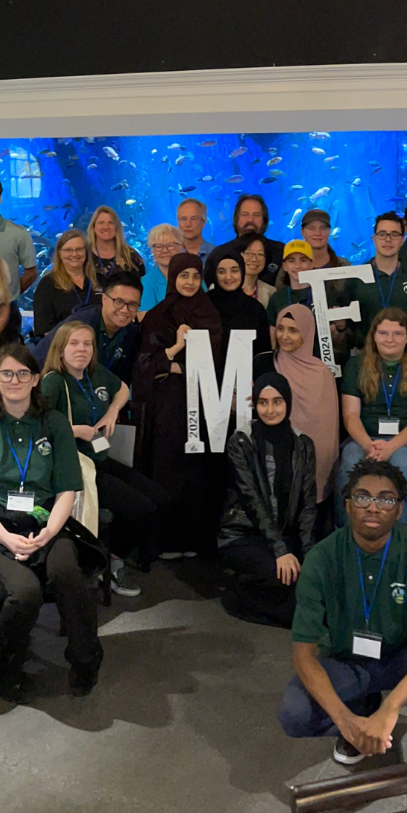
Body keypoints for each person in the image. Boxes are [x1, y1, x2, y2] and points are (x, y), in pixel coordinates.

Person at [279, 459, 407, 767]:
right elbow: (303, 653)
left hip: (402, 656)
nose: (373, 506)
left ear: (399, 508)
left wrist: (391, 708)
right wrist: (346, 722)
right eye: (363, 496)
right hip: (346, 659)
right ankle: (360, 721)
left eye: (386, 498)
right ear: (347, 505)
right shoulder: (321, 559)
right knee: (294, 715)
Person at [0, 342, 101, 699]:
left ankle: (85, 660)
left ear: (36, 379)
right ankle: (8, 662)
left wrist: (49, 531)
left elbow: (68, 488)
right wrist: (7, 539)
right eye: (7, 373)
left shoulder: (54, 424)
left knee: (68, 573)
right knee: (24, 593)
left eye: (23, 373)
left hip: (48, 522)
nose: (15, 380)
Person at [44, 317, 163, 581]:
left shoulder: (95, 374)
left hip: (99, 455)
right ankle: (109, 557)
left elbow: (121, 388)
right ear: (61, 348)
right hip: (76, 465)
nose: (82, 349)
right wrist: (77, 430)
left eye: (87, 344)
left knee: (158, 496)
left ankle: (118, 552)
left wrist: (112, 411)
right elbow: (39, 427)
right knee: (141, 508)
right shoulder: (54, 381)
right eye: (74, 344)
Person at [131, 253, 227, 560]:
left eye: (195, 276)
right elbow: (145, 362)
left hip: (202, 398)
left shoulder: (209, 312)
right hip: (169, 404)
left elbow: (217, 359)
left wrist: (179, 366)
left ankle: (195, 538)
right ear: (173, 277)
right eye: (183, 275)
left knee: (198, 468)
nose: (189, 282)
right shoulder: (159, 314)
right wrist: (175, 349)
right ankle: (166, 540)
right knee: (168, 463)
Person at [220, 371, 324, 628]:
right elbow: (252, 501)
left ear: (287, 403)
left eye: (277, 401)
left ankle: (303, 611)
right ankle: (239, 597)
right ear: (255, 404)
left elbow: (308, 506)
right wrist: (280, 551)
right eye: (263, 402)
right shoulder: (240, 442)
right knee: (282, 578)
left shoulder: (303, 445)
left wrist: (309, 555)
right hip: (243, 535)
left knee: (318, 577)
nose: (270, 410)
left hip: (285, 535)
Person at [339, 307, 407, 522]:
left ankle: (404, 537)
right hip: (364, 438)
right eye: (383, 333)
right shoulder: (355, 366)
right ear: (374, 336)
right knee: (350, 461)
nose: (390, 339)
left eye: (397, 334)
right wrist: (368, 445)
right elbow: (350, 416)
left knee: (402, 463)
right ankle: (346, 533)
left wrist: (391, 446)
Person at [272, 302, 344, 502]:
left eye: (293, 330)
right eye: (280, 329)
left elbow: (325, 430)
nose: (285, 336)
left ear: (306, 332)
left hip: (312, 459)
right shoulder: (266, 363)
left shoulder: (321, 373)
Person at [349, 211, 407, 344]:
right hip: (366, 354)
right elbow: (349, 324)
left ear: (402, 240)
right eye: (382, 234)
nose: (388, 239)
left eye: (394, 234)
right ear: (374, 238)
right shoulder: (356, 277)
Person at [207, 247, 273, 373]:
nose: (228, 277)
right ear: (214, 274)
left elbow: (263, 353)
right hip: (206, 382)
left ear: (242, 272)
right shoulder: (202, 306)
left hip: (246, 382)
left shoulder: (255, 308)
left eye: (234, 270)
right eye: (221, 271)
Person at [33, 230, 98, 339]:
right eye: (68, 250)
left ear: (86, 252)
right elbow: (44, 329)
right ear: (59, 253)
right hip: (62, 347)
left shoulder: (99, 281)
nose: (74, 254)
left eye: (79, 249)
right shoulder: (47, 285)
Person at [94, 276, 143, 381]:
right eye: (119, 302)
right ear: (104, 299)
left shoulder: (132, 332)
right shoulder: (82, 328)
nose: (125, 310)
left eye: (132, 304)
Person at [85, 205, 144, 290]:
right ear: (93, 227)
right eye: (101, 223)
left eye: (110, 223)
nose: (106, 227)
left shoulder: (131, 256)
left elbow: (143, 288)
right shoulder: (83, 255)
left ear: (117, 227)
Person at [141, 224, 186, 310]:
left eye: (170, 245)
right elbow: (145, 320)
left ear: (180, 247)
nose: (164, 251)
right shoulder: (146, 283)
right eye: (158, 246)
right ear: (152, 251)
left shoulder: (193, 275)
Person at [176, 198, 212, 267]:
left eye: (194, 218)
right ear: (178, 223)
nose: (188, 224)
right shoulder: (169, 255)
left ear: (203, 223)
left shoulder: (216, 254)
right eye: (183, 219)